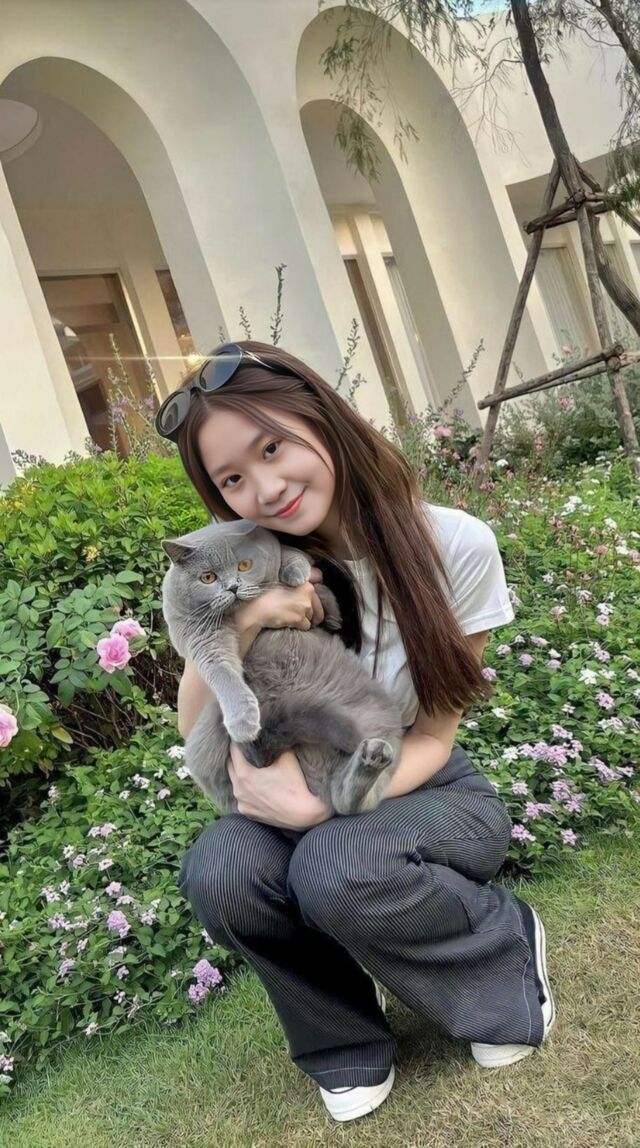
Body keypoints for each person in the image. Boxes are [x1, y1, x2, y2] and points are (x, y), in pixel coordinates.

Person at [155, 340, 556, 1124]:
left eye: (272, 448)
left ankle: (500, 953)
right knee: (220, 870)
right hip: (301, 781)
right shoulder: (248, 568)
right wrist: (244, 621)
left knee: (335, 865)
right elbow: (194, 723)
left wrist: (328, 808)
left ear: (322, 419)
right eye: (232, 479)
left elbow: (434, 737)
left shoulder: (453, 545)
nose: (264, 488)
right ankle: (343, 1040)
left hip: (425, 786)